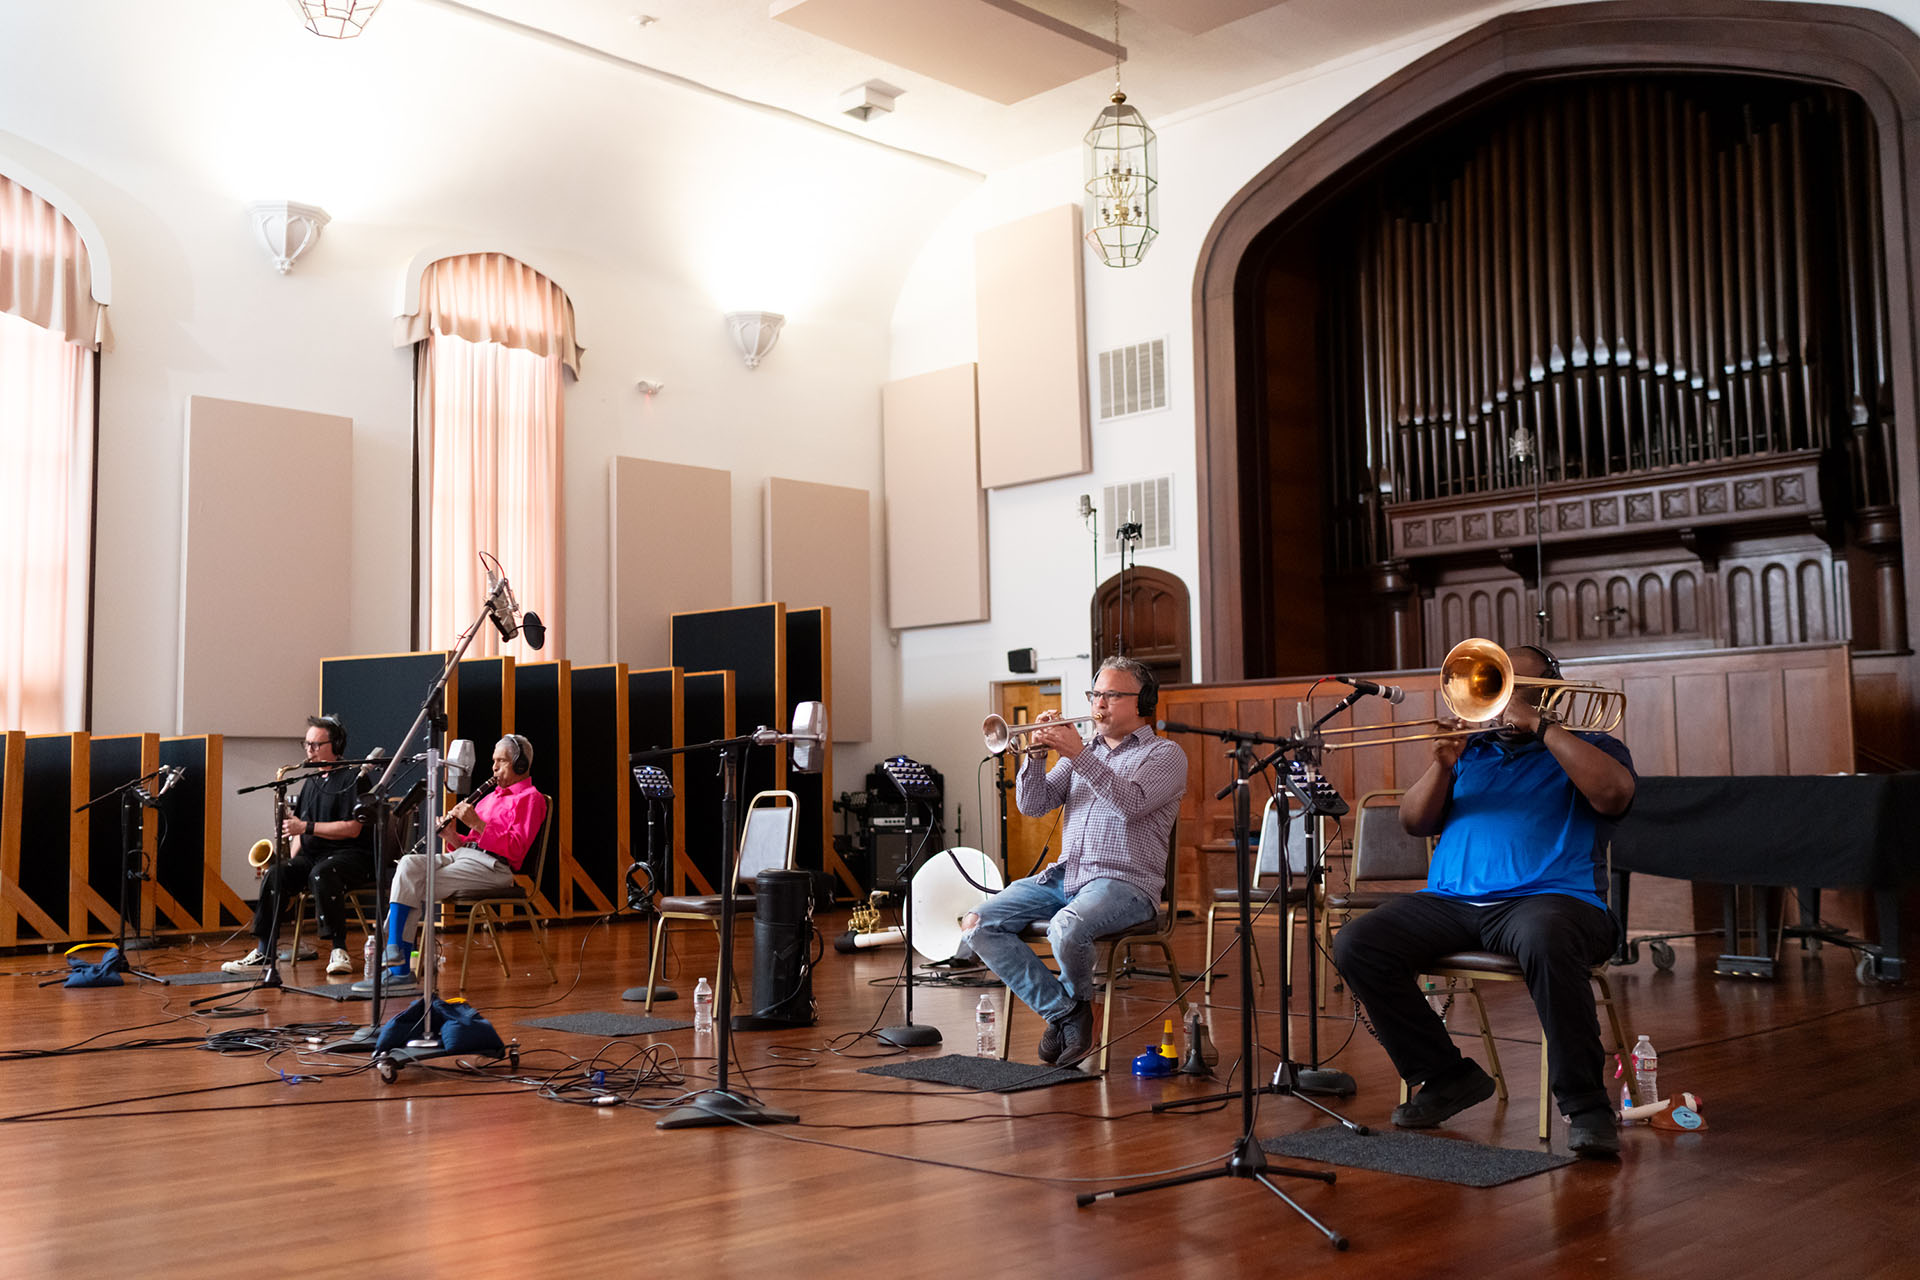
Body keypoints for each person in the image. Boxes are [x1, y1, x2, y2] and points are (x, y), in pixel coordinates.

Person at [1331, 643, 1636, 1158]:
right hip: (1452, 902)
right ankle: (1446, 1076)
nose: (1503, 699)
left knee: (1547, 938)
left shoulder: (1591, 744)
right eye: (1499, 685)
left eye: (1519, 687)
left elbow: (1614, 795)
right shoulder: (1471, 750)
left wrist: (1543, 729)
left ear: (1550, 692)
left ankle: (1585, 1106)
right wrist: (1443, 766)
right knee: (1360, 941)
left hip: (1553, 900)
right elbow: (1413, 823)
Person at [960, 657, 1187, 1069]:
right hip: (1066, 877)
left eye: (1111, 695)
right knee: (977, 924)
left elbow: (1130, 805)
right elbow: (1033, 804)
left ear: (1142, 702)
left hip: (1126, 884)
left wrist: (1078, 752)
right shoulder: (1087, 752)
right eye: (1095, 694)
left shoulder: (1165, 755)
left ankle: (1072, 1013)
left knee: (1066, 928)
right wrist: (1036, 757)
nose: (1099, 703)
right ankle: (1067, 1012)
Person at [355, 734, 547, 991]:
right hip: (464, 857)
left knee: (415, 883)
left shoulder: (530, 799)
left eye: (501, 761)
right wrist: (452, 836)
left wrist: (477, 823)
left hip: (495, 868)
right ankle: (394, 952)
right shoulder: (490, 797)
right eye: (493, 761)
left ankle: (399, 969)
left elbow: (515, 849)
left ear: (520, 765)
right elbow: (469, 843)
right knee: (409, 864)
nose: (494, 768)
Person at [224, 714, 372, 977]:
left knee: (323, 872)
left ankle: (339, 950)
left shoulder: (354, 778)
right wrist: (289, 858)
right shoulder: (311, 783)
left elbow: (353, 828)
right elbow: (299, 833)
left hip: (351, 856)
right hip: (315, 855)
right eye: (306, 745)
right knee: (276, 873)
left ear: (335, 745)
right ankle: (264, 950)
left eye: (316, 745)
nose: (309, 751)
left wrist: (305, 827)